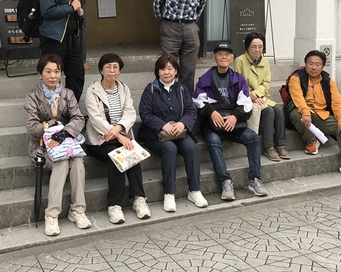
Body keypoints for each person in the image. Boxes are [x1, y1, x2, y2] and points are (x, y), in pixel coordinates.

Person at [24, 54, 91, 236]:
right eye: (48, 71)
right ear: (40, 74)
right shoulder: (33, 96)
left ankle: (77, 210)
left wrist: (64, 133)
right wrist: (52, 125)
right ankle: (52, 214)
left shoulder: (67, 94)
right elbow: (31, 127)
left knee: (78, 161)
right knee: (61, 162)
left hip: (66, 143)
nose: (53, 76)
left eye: (56, 71)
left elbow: (78, 118)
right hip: (43, 148)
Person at [192, 42, 268, 201]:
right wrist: (211, 112)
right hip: (214, 125)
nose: (223, 57)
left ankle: (255, 178)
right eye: (220, 54)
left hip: (235, 125)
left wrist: (234, 116)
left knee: (253, 138)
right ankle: (225, 181)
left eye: (227, 54)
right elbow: (198, 101)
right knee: (213, 140)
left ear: (232, 59)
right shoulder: (205, 79)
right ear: (214, 58)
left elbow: (246, 104)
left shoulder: (238, 79)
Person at [83, 53, 151, 224]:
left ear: (120, 71)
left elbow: (130, 113)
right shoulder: (92, 91)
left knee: (132, 154)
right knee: (117, 156)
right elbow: (95, 119)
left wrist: (119, 129)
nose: (112, 70)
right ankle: (114, 205)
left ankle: (139, 199)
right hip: (99, 140)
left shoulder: (124, 88)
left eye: (115, 67)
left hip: (121, 135)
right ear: (101, 70)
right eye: (108, 67)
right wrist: (119, 136)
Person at [138, 54, 208, 212]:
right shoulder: (151, 89)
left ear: (176, 71)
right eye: (162, 69)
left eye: (170, 69)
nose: (166, 72)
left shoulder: (182, 89)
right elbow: (145, 113)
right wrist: (162, 125)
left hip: (179, 132)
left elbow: (191, 110)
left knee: (190, 147)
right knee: (170, 149)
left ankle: (194, 190)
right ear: (157, 71)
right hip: (156, 134)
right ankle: (169, 194)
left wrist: (182, 123)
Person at [287, 50, 341, 179]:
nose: (313, 67)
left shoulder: (328, 81)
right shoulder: (296, 78)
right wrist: (305, 112)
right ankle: (311, 139)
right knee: (297, 114)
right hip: (303, 112)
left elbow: (337, 103)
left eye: (317, 64)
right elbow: (298, 99)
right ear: (305, 64)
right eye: (310, 63)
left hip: (321, 115)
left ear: (322, 66)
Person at [153, 0, 208, 93]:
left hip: (190, 28)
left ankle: (185, 99)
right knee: (168, 65)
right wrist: (165, 22)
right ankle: (167, 97)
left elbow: (200, 9)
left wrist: (190, 24)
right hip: (170, 27)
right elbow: (157, 4)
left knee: (189, 69)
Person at [233, 32, 290, 162]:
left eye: (260, 47)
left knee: (279, 110)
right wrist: (252, 95)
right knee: (269, 111)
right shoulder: (240, 61)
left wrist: (257, 93)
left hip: (262, 96)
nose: (257, 50)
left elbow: (266, 82)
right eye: (254, 47)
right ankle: (268, 147)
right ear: (247, 47)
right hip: (246, 97)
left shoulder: (265, 61)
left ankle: (281, 145)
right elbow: (238, 83)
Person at [39, 0, 85, 101]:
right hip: (54, 37)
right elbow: (47, 11)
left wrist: (76, 11)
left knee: (77, 74)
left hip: (70, 36)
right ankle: (52, 111)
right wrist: (71, 7)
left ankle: (70, 108)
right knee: (52, 76)